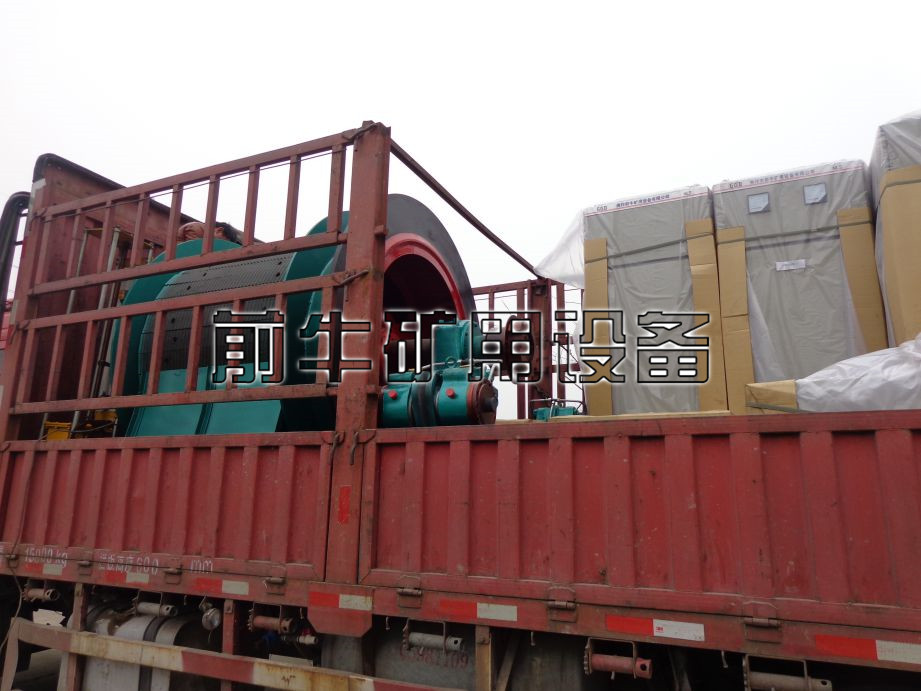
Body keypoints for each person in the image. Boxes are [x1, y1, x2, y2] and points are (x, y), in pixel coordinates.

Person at [178, 220, 243, 244]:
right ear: (219, 231)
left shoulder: (201, 231)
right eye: (222, 241)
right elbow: (192, 250)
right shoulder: (196, 228)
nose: (220, 244)